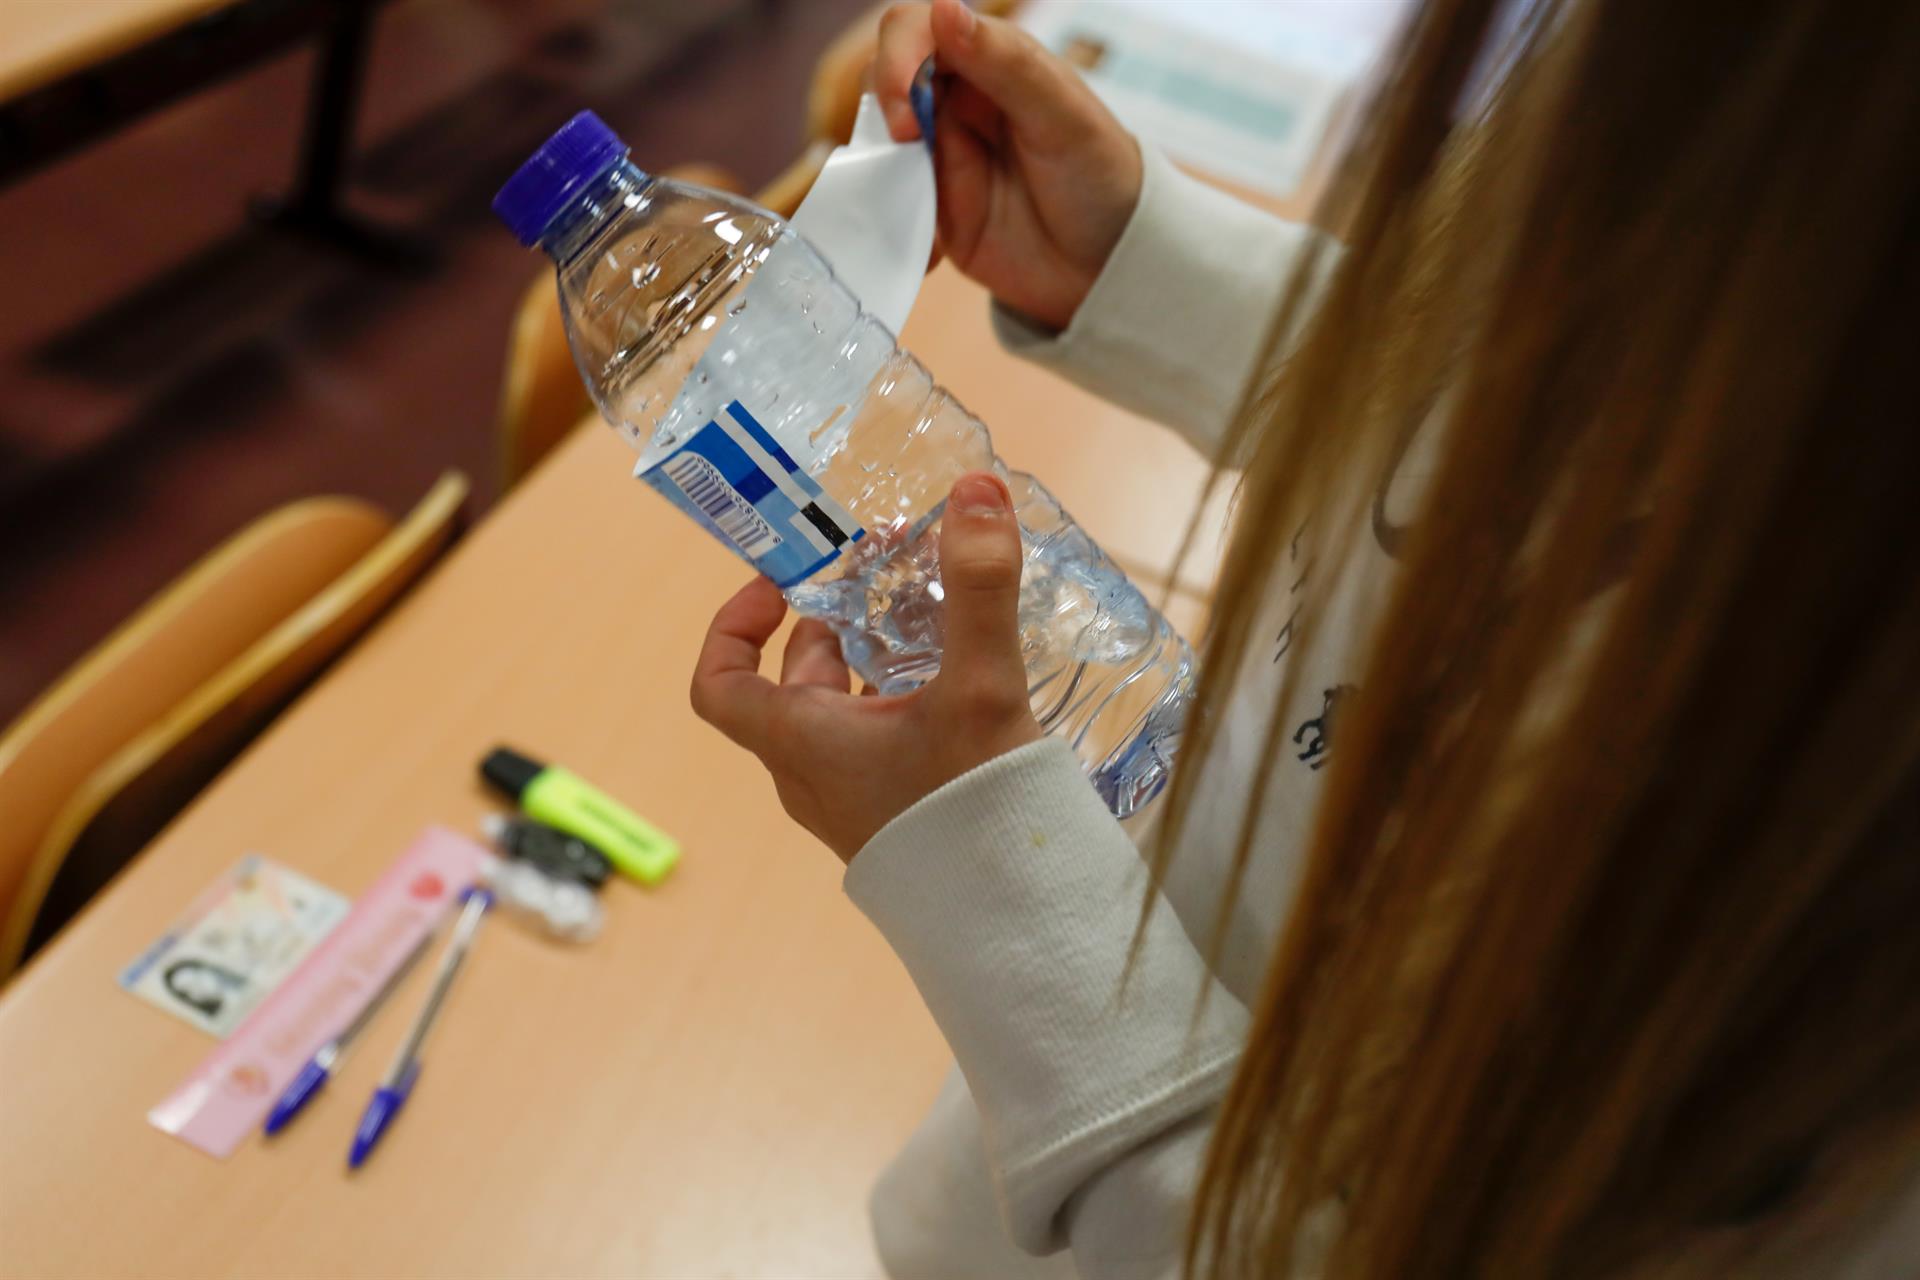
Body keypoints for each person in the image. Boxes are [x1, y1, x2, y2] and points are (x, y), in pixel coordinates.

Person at [689, 0, 1920, 1275]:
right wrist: (1148, 269)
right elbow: (1491, 440)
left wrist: (989, 869)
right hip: (1056, 1138)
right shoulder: (1724, 127)